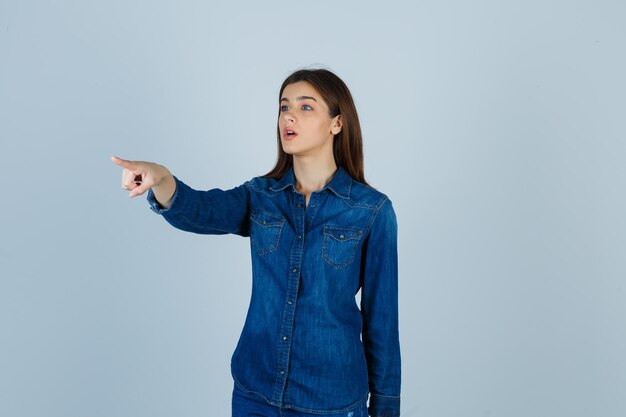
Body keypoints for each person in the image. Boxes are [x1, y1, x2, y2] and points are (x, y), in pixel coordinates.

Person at [111, 68, 401, 417]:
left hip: (330, 402)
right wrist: (160, 177)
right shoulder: (261, 196)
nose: (289, 116)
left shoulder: (371, 210)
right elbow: (201, 210)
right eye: (283, 107)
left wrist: (386, 409)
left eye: (306, 107)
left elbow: (382, 323)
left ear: (336, 123)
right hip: (255, 395)